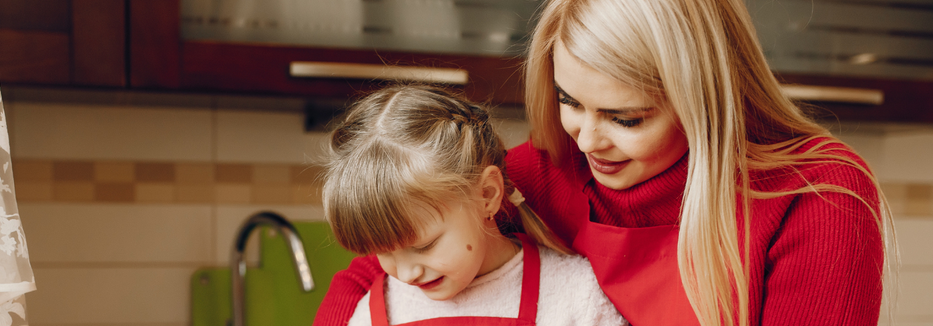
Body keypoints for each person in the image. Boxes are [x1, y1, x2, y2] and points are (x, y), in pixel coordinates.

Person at [314, 0, 893, 325]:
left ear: (704, 98)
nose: (588, 139)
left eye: (626, 118)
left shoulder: (815, 195)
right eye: (569, 101)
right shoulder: (541, 174)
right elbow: (389, 256)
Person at [321, 85, 629, 326]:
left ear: (487, 195)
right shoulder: (377, 309)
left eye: (425, 245)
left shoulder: (576, 295)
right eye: (385, 251)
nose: (405, 273)